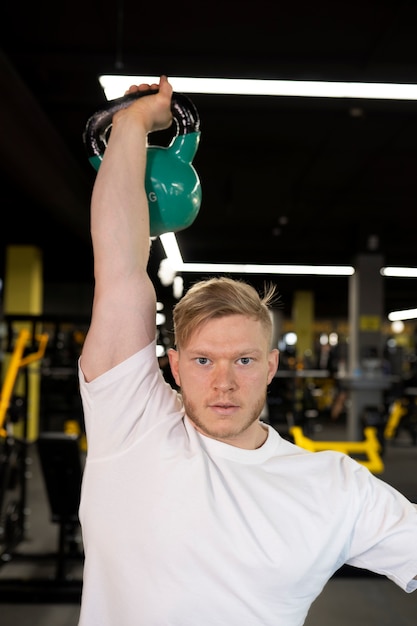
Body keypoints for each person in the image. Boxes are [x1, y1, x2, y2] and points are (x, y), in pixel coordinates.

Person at [77, 76, 417, 626]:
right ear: (174, 364)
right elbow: (118, 271)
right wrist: (133, 125)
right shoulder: (132, 423)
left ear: (272, 366)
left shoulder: (334, 486)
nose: (224, 382)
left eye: (244, 360)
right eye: (204, 360)